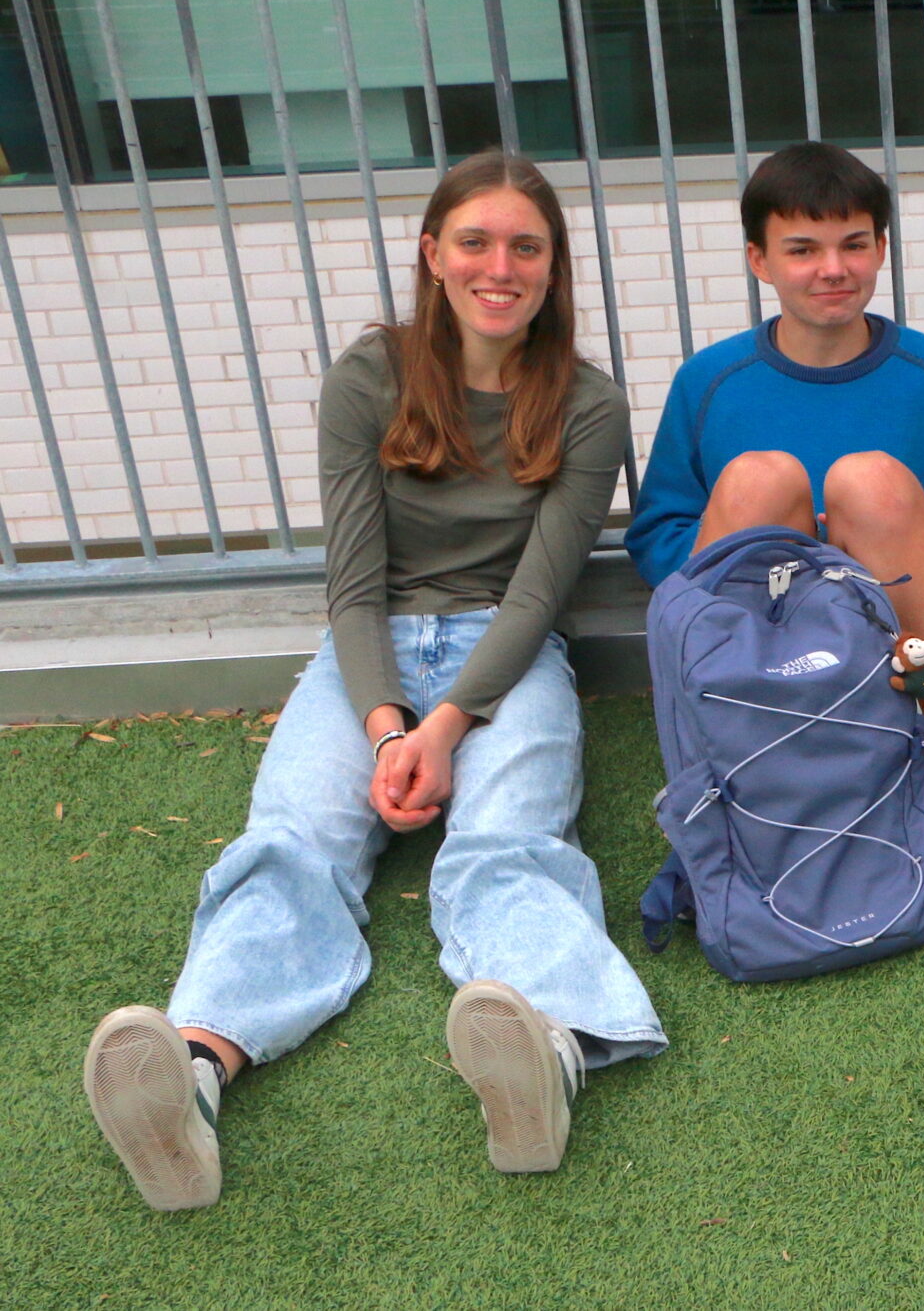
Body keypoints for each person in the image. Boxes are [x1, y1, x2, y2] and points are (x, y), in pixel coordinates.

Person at [81, 151, 662, 1210]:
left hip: (508, 648)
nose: (501, 265)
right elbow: (351, 587)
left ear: (552, 266)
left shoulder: (587, 402)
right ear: (432, 254)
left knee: (511, 837)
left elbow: (537, 599)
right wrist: (389, 723)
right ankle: (199, 1069)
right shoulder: (369, 378)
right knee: (292, 835)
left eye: (525, 246)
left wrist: (441, 730)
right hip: (373, 649)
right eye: (476, 241)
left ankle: (556, 1051)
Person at [625, 142, 924, 906]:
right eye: (803, 249)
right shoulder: (709, 383)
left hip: (906, 638)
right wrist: (794, 546)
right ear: (759, 259)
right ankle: (720, 778)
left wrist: (876, 528)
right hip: (765, 644)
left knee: (870, 479)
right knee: (760, 478)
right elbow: (658, 539)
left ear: (881, 248)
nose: (833, 268)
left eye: (854, 244)